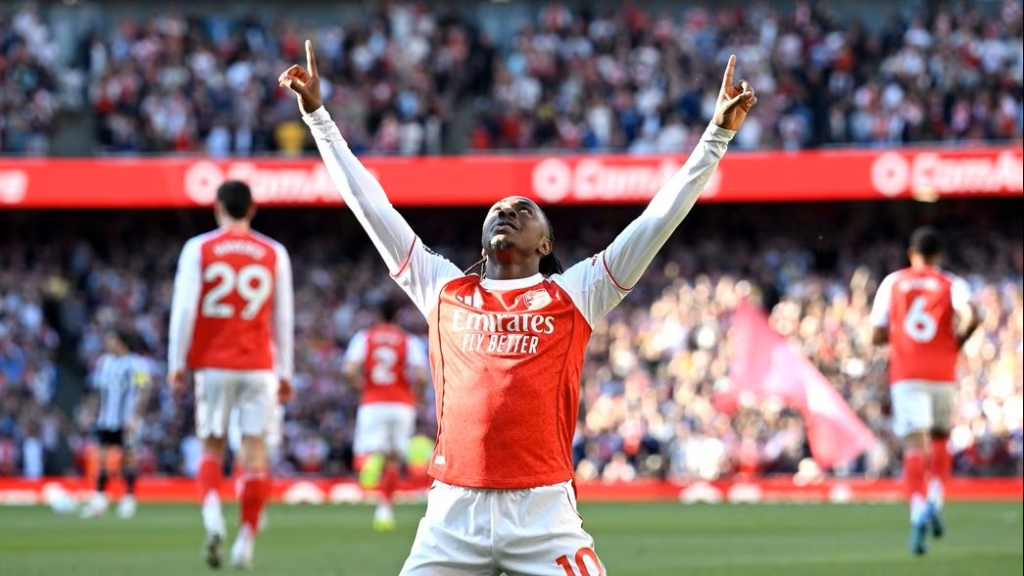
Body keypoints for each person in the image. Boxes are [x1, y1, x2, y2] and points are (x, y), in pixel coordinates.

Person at [281, 40, 755, 575]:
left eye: (523, 209)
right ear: (483, 239)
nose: (507, 211)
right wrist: (318, 116)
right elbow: (371, 206)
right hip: (452, 517)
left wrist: (717, 136)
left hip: (543, 514)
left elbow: (655, 221)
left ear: (545, 244)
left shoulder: (576, 293)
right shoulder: (443, 288)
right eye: (498, 210)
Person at [168, 181, 294, 570]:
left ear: (218, 207)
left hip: (213, 363)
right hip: (259, 365)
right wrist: (286, 370)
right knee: (254, 453)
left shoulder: (198, 248)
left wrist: (176, 362)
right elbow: (284, 316)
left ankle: (213, 521)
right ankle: (246, 543)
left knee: (211, 447)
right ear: (252, 209)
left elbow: (184, 309)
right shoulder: (274, 252)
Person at [871, 227, 981, 556]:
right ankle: (935, 500)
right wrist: (958, 341)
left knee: (914, 446)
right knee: (940, 439)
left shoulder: (893, 282)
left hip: (907, 373)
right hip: (942, 372)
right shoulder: (952, 283)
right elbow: (974, 314)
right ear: (940, 256)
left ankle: (919, 511)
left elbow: (876, 333)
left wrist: (894, 338)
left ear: (911, 253)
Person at [342, 299, 428, 531]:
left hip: (373, 402)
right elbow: (421, 376)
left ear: (377, 315)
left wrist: (360, 385)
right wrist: (415, 393)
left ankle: (373, 459)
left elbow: (349, 369)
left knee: (368, 451)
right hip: (401, 404)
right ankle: (385, 510)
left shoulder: (364, 337)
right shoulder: (408, 340)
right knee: (394, 458)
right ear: (396, 316)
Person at [80, 330, 151, 519]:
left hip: (127, 420)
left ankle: (128, 498)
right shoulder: (104, 362)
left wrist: (136, 416)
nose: (108, 343)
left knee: (129, 458)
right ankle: (99, 499)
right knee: (102, 459)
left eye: (111, 340)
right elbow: (97, 391)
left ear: (122, 342)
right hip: (106, 419)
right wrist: (90, 411)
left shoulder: (136, 363)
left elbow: (145, 390)